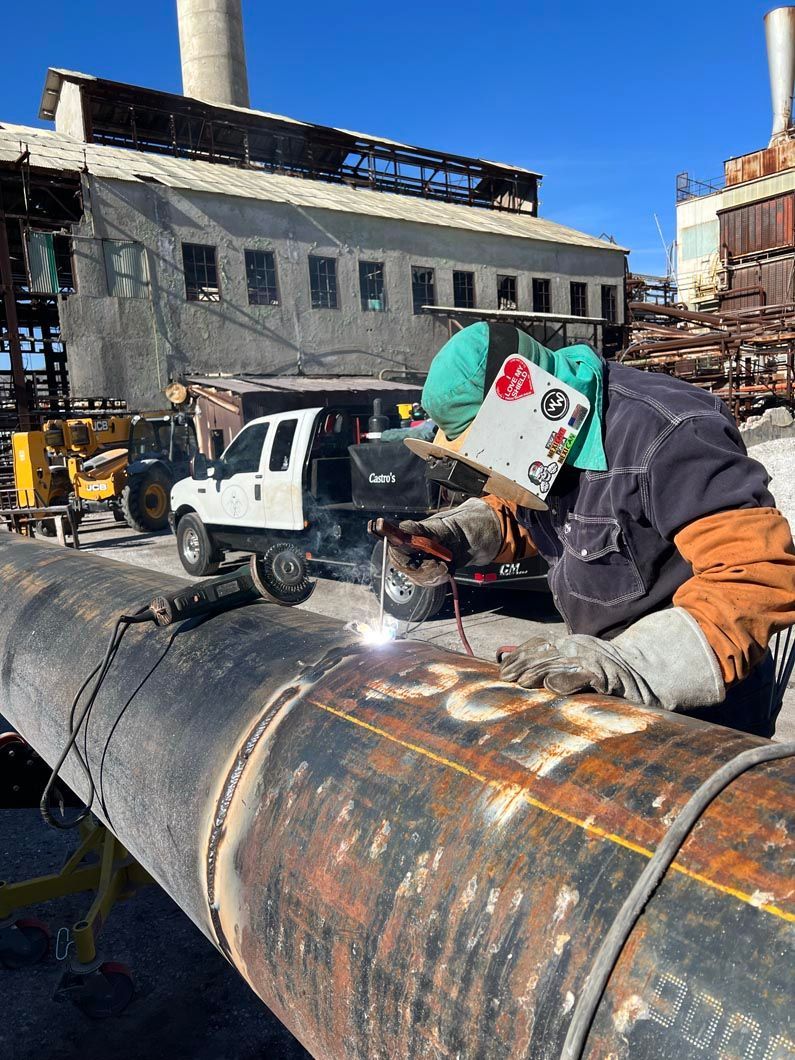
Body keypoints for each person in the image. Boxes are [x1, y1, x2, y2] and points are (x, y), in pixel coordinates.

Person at [393, 322, 795, 737]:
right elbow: (528, 516)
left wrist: (624, 662)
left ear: (521, 399)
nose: (494, 462)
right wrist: (455, 535)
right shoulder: (544, 435)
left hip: (704, 713)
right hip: (608, 695)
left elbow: (756, 576)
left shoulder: (669, 434)